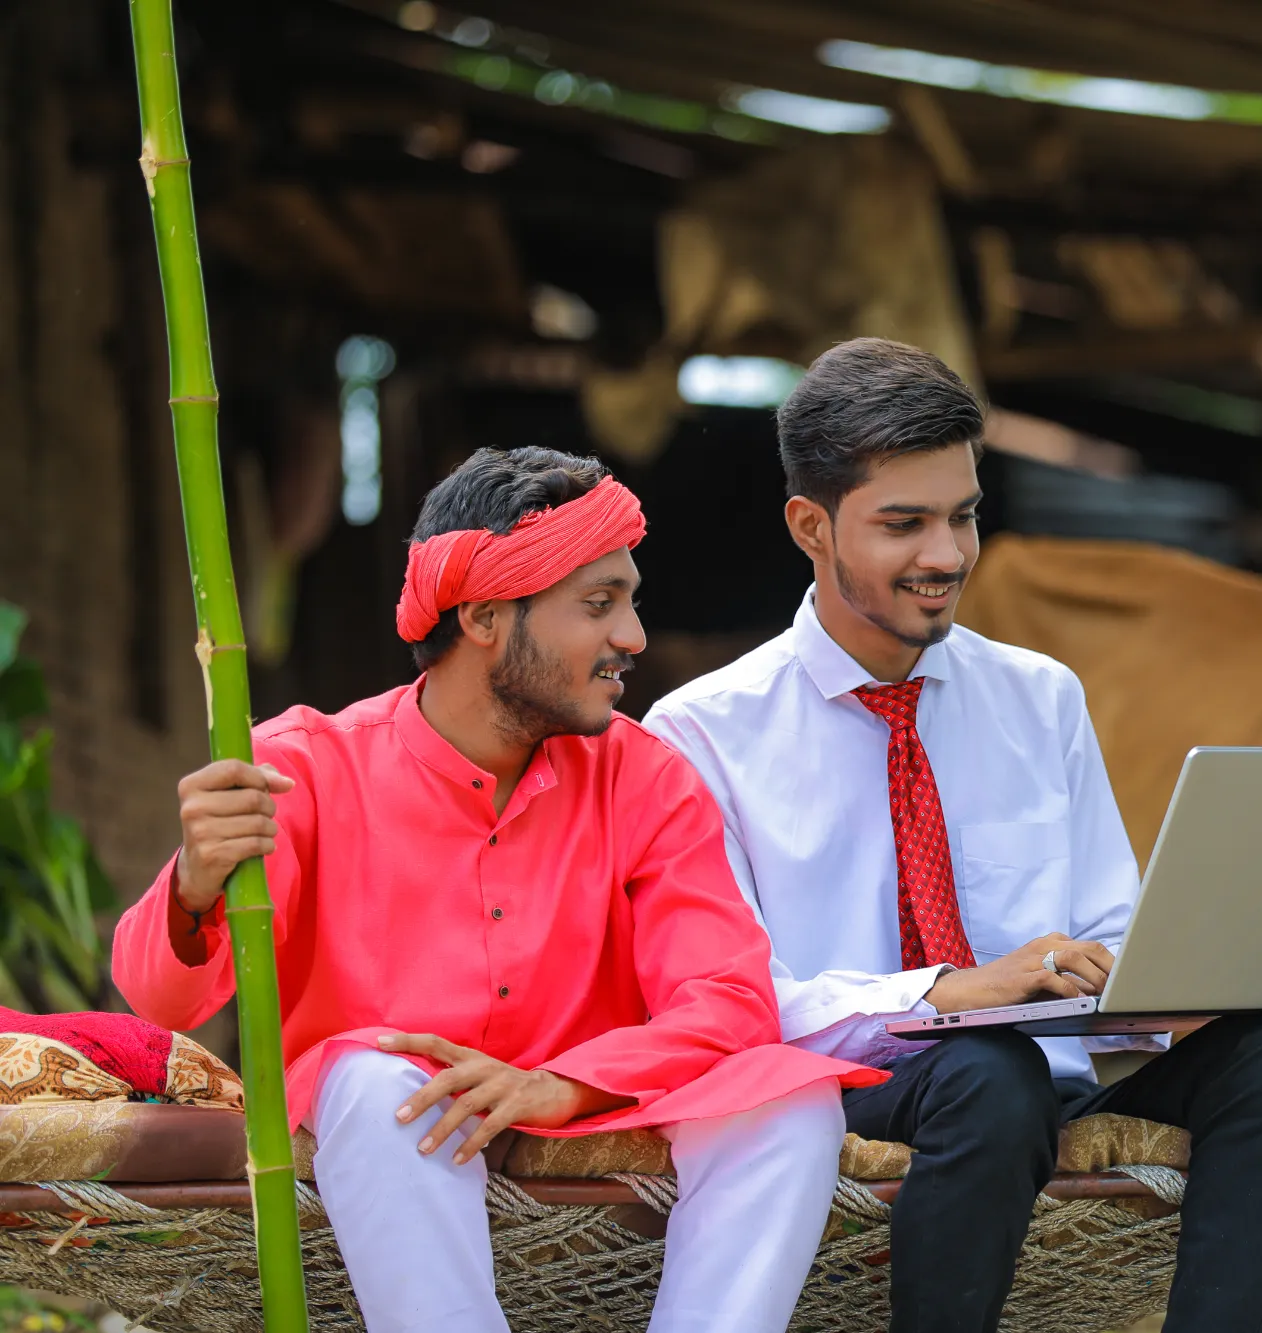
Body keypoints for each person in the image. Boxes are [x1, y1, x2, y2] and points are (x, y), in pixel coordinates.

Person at [645, 339, 1262, 1333]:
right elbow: (733, 1005)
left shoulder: (1039, 697)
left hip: (1045, 1081)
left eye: (963, 515)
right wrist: (943, 995)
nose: (946, 554)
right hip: (851, 1094)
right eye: (904, 523)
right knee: (987, 1070)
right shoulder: (701, 734)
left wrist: (1170, 978)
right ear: (810, 525)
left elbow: (1106, 928)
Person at [112, 447, 882, 1333]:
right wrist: (194, 878)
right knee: (377, 1080)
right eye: (599, 605)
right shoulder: (302, 765)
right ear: (482, 616)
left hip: (589, 1108)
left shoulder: (645, 776)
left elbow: (728, 999)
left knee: (788, 1096)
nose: (632, 636)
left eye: (628, 599)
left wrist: (562, 1082)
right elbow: (158, 996)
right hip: (383, 1133)